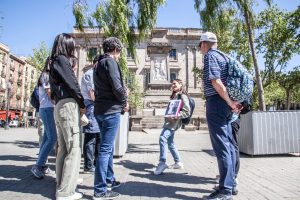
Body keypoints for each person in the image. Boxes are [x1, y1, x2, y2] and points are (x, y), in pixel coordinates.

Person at [199, 32, 241, 200]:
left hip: (217, 103)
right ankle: (229, 185)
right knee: (229, 145)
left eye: (200, 46)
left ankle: (225, 190)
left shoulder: (210, 56)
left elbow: (216, 81)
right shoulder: (224, 57)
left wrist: (229, 102)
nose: (200, 49)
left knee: (222, 147)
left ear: (203, 44)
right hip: (225, 105)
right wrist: (231, 103)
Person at [49, 33, 86, 200]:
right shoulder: (62, 60)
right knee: (74, 148)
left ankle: (62, 184)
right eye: (72, 45)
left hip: (59, 105)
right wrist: (83, 104)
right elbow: (73, 84)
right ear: (66, 45)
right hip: (69, 105)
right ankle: (65, 192)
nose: (74, 48)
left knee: (63, 149)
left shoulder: (53, 61)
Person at [93, 37, 129, 200]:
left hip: (100, 110)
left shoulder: (97, 64)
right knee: (106, 150)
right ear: (115, 49)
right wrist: (124, 102)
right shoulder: (111, 62)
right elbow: (117, 86)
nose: (120, 55)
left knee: (106, 148)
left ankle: (109, 180)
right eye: (120, 51)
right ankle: (100, 190)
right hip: (110, 110)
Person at [154, 79, 190, 175]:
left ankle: (162, 163)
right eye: (172, 84)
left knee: (162, 138)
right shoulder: (175, 96)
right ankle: (178, 162)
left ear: (180, 84)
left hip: (173, 123)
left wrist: (177, 115)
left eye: (175, 83)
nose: (173, 85)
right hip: (169, 122)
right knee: (170, 143)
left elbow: (187, 111)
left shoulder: (182, 96)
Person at [31, 58, 57, 179]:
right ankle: (38, 165)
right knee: (53, 138)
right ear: (50, 63)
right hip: (47, 109)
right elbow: (50, 94)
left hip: (48, 109)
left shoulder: (48, 76)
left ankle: (41, 165)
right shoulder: (46, 75)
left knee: (47, 138)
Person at [81, 55, 101, 173]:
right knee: (91, 136)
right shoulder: (90, 74)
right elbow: (92, 95)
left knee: (98, 136)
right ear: (95, 63)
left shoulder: (96, 74)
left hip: (95, 106)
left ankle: (95, 163)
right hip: (91, 106)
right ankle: (88, 166)